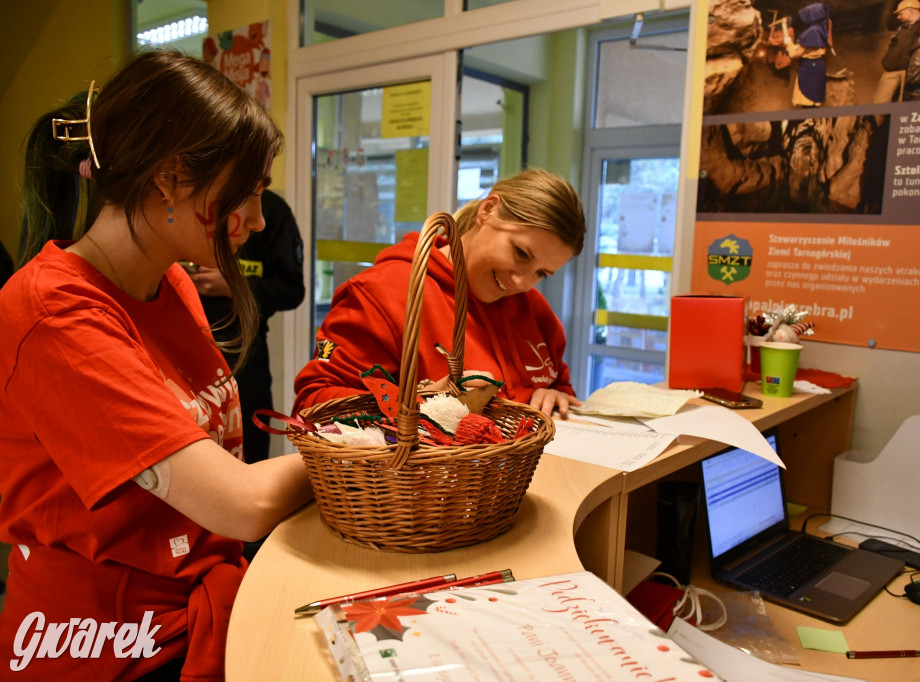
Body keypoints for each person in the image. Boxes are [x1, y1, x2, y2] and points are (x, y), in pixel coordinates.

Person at [0, 51, 312, 680]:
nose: (254, 222)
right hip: (103, 640)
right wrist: (357, 454)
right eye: (245, 197)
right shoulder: (52, 312)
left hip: (187, 606)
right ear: (170, 178)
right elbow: (242, 504)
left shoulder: (173, 283)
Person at [293, 168, 586, 419]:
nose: (521, 281)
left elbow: (559, 383)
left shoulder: (535, 311)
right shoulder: (382, 294)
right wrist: (424, 403)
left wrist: (555, 394)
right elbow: (313, 403)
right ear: (488, 210)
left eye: (541, 273)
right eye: (521, 253)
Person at [188, 190, 305, 465]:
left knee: (249, 454)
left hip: (245, 356)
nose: (255, 224)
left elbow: (291, 290)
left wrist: (235, 287)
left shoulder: (273, 211)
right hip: (185, 350)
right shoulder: (190, 203)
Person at [873, 0, 920, 103]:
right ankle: (877, 119)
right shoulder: (902, 27)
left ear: (911, 11)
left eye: (901, 14)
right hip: (891, 71)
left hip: (908, 72)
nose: (898, 17)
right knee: (880, 101)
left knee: (901, 103)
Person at [783, 2, 834, 108]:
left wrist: (788, 42)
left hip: (809, 69)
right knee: (814, 101)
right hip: (818, 67)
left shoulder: (812, 32)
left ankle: (809, 122)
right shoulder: (823, 28)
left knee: (808, 102)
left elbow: (794, 53)